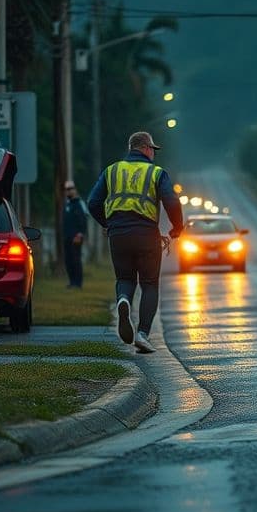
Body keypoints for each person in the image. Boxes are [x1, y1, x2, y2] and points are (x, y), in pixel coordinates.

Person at [87, 131, 184, 353]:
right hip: (146, 235)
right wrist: (177, 228)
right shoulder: (156, 173)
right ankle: (142, 334)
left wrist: (108, 223)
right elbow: (172, 201)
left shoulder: (111, 171)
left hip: (118, 235)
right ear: (147, 148)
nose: (153, 154)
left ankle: (123, 300)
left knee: (125, 278)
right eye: (153, 150)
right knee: (149, 284)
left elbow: (93, 202)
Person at [62, 180, 88, 288]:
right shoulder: (67, 204)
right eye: (66, 189)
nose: (68, 191)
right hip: (67, 237)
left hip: (76, 236)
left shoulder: (79, 203)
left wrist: (81, 234)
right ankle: (72, 281)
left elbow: (84, 219)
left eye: (70, 189)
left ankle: (78, 283)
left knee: (76, 259)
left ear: (74, 189)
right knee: (68, 260)